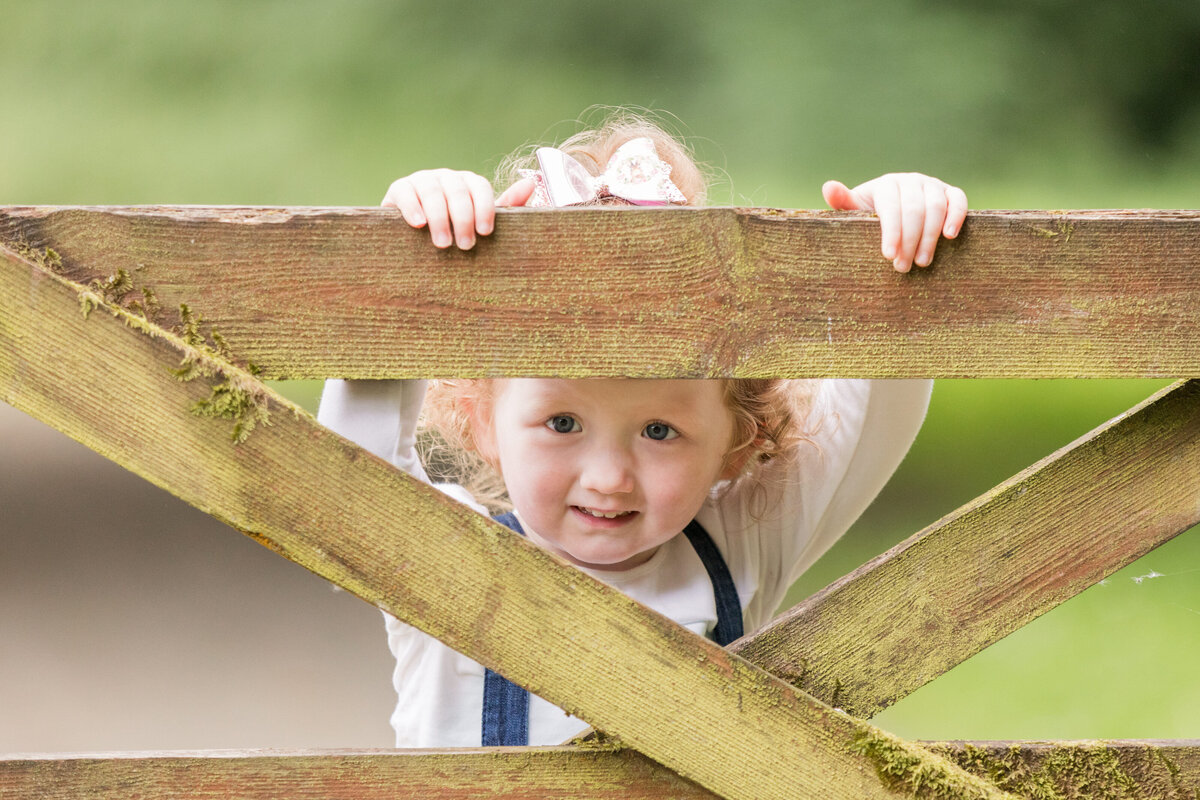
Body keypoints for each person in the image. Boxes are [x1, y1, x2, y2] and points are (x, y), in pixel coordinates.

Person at [317, 112, 967, 748]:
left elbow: (879, 406)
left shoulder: (743, 547)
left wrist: (896, 238)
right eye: (562, 422)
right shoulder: (442, 554)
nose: (608, 479)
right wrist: (406, 251)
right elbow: (339, 491)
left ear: (736, 444)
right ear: (485, 422)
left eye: (660, 431)